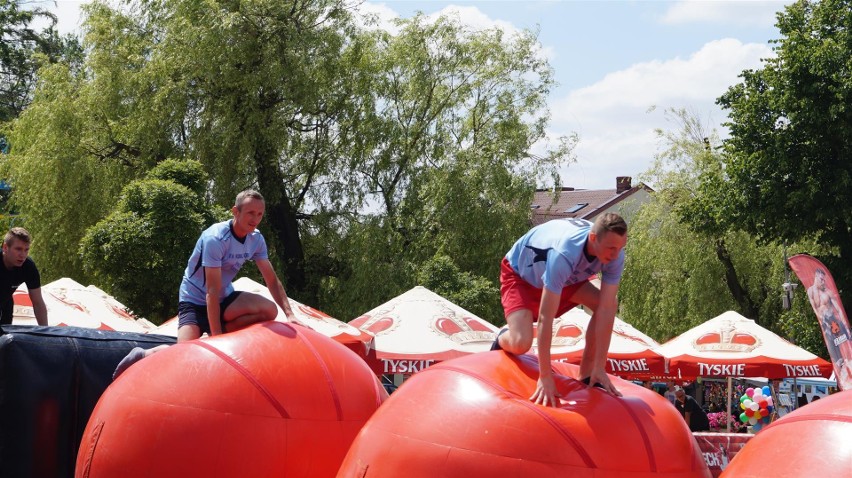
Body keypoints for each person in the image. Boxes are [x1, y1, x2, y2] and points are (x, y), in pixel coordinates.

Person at [113, 189, 296, 378]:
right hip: (194, 299)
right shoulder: (215, 238)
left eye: (259, 214)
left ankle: (217, 331)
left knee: (269, 310)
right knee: (183, 354)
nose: (255, 219)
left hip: (224, 297)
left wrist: (290, 315)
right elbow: (211, 290)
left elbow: (272, 279)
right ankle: (145, 354)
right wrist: (217, 340)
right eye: (250, 213)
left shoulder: (256, 239)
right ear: (235, 211)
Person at [492, 213, 628, 406]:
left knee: (608, 303)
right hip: (521, 276)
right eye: (611, 248)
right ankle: (503, 335)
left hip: (566, 279)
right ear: (593, 238)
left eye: (621, 248)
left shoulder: (614, 255)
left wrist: (600, 365)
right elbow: (545, 318)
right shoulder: (565, 253)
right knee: (521, 343)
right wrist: (545, 376)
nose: (615, 255)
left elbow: (606, 308)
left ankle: (589, 374)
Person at [0, 227, 48, 331]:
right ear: (5, 248)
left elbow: (38, 303)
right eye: (18, 249)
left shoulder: (28, 267)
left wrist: (46, 332)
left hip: (5, 303)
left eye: (26, 250)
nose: (23, 255)